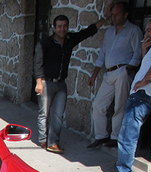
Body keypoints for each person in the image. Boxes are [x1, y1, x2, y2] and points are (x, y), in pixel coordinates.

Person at [103, 17, 151, 172]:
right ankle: (124, 164)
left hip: (143, 95)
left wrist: (142, 82)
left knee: (128, 134)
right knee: (130, 132)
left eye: (150, 29)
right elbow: (150, 62)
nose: (147, 33)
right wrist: (145, 51)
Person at [34, 13, 108, 154]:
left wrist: (106, 18)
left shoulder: (69, 40)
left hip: (61, 84)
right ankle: (43, 140)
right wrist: (39, 82)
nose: (62, 29)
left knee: (58, 114)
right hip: (46, 82)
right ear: (54, 27)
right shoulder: (45, 43)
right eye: (59, 26)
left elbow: (88, 32)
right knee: (44, 113)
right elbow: (37, 63)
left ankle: (53, 142)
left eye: (65, 26)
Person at [87, 2, 143, 149]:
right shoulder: (109, 32)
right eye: (112, 14)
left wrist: (129, 69)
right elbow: (102, 54)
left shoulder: (133, 30)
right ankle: (101, 135)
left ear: (125, 14)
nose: (114, 17)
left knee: (120, 105)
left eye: (117, 14)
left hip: (123, 71)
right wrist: (94, 75)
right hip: (109, 72)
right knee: (98, 104)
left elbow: (138, 52)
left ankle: (115, 136)